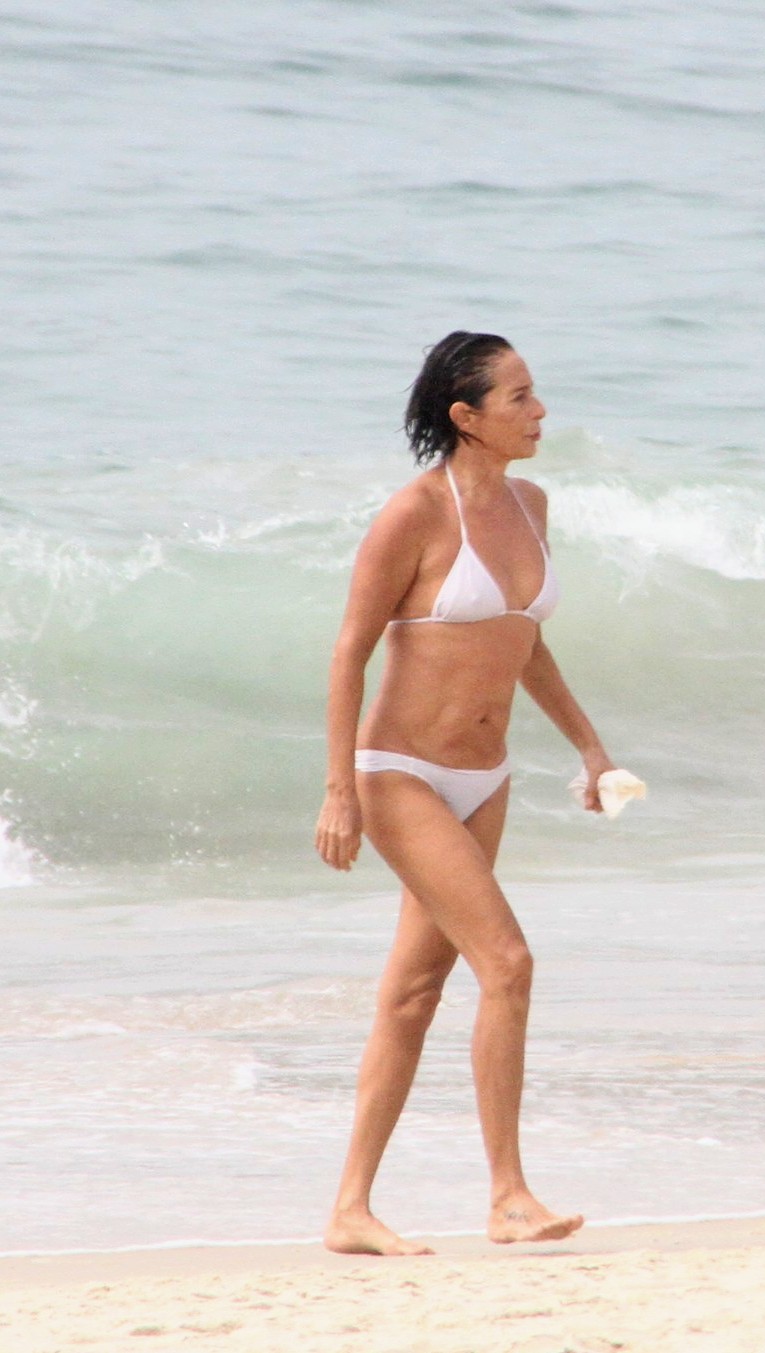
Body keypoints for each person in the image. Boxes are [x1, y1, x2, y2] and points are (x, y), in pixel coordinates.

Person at [315, 331, 617, 1256]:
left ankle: (349, 1211)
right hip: (401, 771)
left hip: (485, 778)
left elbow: (525, 644)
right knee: (509, 963)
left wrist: (593, 750)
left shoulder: (531, 504)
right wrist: (339, 791)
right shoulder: (412, 515)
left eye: (536, 393)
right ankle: (509, 1194)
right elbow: (349, 651)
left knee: (413, 990)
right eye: (519, 397)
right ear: (467, 416)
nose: (540, 411)